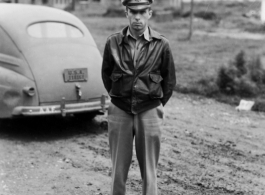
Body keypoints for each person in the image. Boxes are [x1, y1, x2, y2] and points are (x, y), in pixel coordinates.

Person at [101, 0, 176, 194]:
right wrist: (119, 98)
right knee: (118, 169)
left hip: (149, 110)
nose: (137, 17)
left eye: (142, 12)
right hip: (120, 109)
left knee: (150, 170)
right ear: (126, 12)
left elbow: (169, 81)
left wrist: (155, 104)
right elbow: (107, 74)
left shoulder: (162, 44)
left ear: (150, 13)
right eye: (133, 12)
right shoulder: (113, 42)